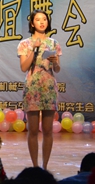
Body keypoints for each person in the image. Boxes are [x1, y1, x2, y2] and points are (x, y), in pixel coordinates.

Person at [17, 9, 62, 170]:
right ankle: (35, 167)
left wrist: (55, 61)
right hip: (33, 88)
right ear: (32, 23)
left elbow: (57, 69)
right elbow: (24, 67)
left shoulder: (54, 43)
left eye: (44, 19)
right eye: (38, 19)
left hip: (48, 88)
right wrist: (34, 49)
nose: (42, 22)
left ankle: (45, 166)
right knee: (33, 130)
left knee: (48, 130)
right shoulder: (24, 44)